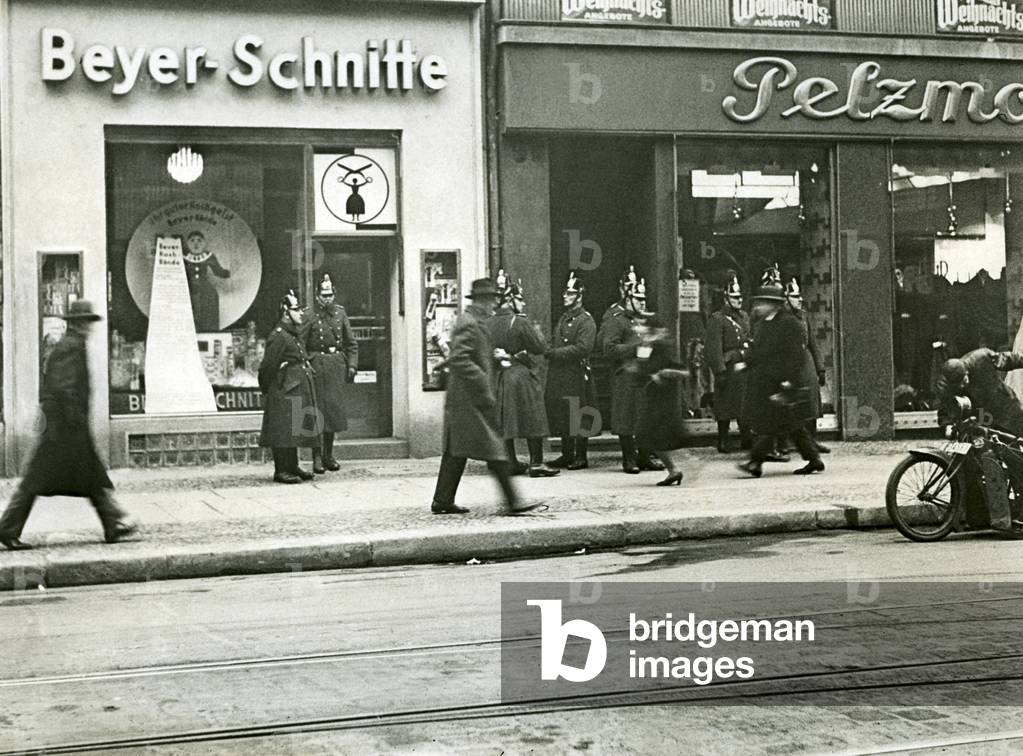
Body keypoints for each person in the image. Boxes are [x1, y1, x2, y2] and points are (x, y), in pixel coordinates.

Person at [0, 300, 136, 550]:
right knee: (36, 479)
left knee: (90, 475)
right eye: (86, 322)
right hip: (63, 428)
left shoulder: (71, 344)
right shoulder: (71, 346)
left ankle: (112, 524)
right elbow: (65, 388)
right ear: (77, 323)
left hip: (64, 425)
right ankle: (7, 528)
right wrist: (75, 422)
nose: (89, 327)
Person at [431, 279, 542, 515]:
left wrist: (493, 360)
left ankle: (442, 500)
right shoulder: (469, 322)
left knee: (455, 450)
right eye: (491, 299)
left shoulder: (476, 321)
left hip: (465, 398)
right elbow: (461, 358)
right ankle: (513, 502)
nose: (494, 303)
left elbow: (466, 354)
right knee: (494, 448)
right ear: (482, 300)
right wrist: (483, 381)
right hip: (470, 398)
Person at [736, 280, 825, 478]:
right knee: (791, 426)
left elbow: (796, 356)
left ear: (774, 304)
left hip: (784, 383)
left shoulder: (789, 324)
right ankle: (814, 459)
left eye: (764, 302)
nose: (759, 306)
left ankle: (755, 462)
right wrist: (746, 363)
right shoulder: (763, 324)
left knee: (772, 424)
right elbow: (759, 351)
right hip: (768, 382)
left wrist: (789, 381)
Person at [936, 349, 1023, 530]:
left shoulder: (981, 358)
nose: (963, 385)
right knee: (971, 464)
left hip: (1007, 413)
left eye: (964, 380)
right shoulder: (946, 384)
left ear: (967, 371)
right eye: (958, 385)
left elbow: (1009, 359)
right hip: (980, 421)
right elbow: (945, 406)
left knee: (1013, 458)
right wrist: (947, 425)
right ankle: (978, 517)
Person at [487, 271, 559, 477]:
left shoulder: (488, 322)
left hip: (499, 376)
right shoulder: (519, 322)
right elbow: (540, 347)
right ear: (510, 300)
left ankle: (510, 462)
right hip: (520, 375)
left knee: (504, 420)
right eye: (519, 299)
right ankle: (537, 463)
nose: (523, 303)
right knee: (533, 417)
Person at [597, 266, 665, 475]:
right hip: (625, 374)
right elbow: (608, 348)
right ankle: (629, 458)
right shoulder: (616, 320)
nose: (643, 303)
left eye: (643, 299)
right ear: (628, 298)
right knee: (626, 419)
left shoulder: (643, 319)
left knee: (644, 417)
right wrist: (635, 348)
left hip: (643, 375)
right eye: (638, 299)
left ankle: (644, 455)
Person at [259, 290, 319, 484]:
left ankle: (292, 465)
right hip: (283, 389)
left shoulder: (291, 333)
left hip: (294, 387)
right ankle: (281, 470)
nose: (301, 313)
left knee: (293, 429)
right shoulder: (279, 336)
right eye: (296, 309)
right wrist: (269, 389)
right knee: (282, 430)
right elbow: (268, 367)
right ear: (286, 312)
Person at [303, 274, 359, 474]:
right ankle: (316, 457)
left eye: (330, 294)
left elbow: (351, 343)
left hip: (335, 367)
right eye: (323, 295)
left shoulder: (340, 314)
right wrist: (307, 362)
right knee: (316, 413)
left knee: (332, 413)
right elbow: (300, 343)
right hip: (316, 367)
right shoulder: (309, 315)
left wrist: (351, 365)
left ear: (334, 294)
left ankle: (329, 455)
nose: (327, 298)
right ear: (317, 296)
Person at [545, 271, 597, 470]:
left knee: (579, 415)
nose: (565, 296)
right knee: (564, 413)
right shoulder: (564, 318)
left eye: (570, 294)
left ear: (579, 296)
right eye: (565, 293)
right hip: (561, 375)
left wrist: (554, 353)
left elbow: (583, 348)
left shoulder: (585, 320)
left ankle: (581, 456)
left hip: (576, 374)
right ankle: (567, 453)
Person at [629, 317, 688, 486]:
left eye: (645, 329)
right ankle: (673, 470)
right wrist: (639, 370)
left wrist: (664, 373)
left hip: (663, 398)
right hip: (652, 397)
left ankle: (674, 469)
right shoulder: (645, 347)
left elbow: (681, 370)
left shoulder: (662, 347)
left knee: (650, 433)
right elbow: (642, 371)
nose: (641, 331)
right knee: (647, 434)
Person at [783, 278, 830, 455]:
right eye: (795, 296)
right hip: (790, 364)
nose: (799, 299)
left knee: (812, 403)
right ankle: (789, 442)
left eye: (799, 296)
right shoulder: (783, 318)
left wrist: (820, 368)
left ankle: (812, 440)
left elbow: (813, 343)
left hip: (807, 362)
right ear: (786, 298)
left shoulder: (803, 316)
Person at [705, 274, 751, 453]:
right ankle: (722, 439)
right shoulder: (718, 319)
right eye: (734, 297)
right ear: (726, 298)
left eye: (739, 297)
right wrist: (719, 371)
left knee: (744, 405)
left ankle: (746, 437)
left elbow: (749, 339)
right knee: (724, 407)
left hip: (743, 366)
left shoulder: (744, 317)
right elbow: (713, 348)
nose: (738, 300)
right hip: (728, 369)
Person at [183, 230, 231, 332]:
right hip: (188, 291)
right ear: (188, 243)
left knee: (209, 311)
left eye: (199, 240)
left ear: (204, 243)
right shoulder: (183, 257)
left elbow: (218, 272)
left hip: (206, 292)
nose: (196, 243)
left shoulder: (209, 256)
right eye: (192, 240)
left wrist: (231, 272)